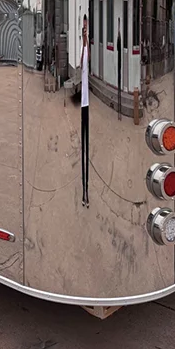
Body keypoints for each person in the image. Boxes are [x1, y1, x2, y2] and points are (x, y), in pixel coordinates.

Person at [80, 14, 90, 207]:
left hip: (89, 102)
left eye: (86, 27)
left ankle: (87, 189)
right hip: (82, 102)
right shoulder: (83, 47)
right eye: (83, 27)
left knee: (88, 143)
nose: (84, 29)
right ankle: (84, 190)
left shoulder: (91, 47)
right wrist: (83, 42)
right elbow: (81, 64)